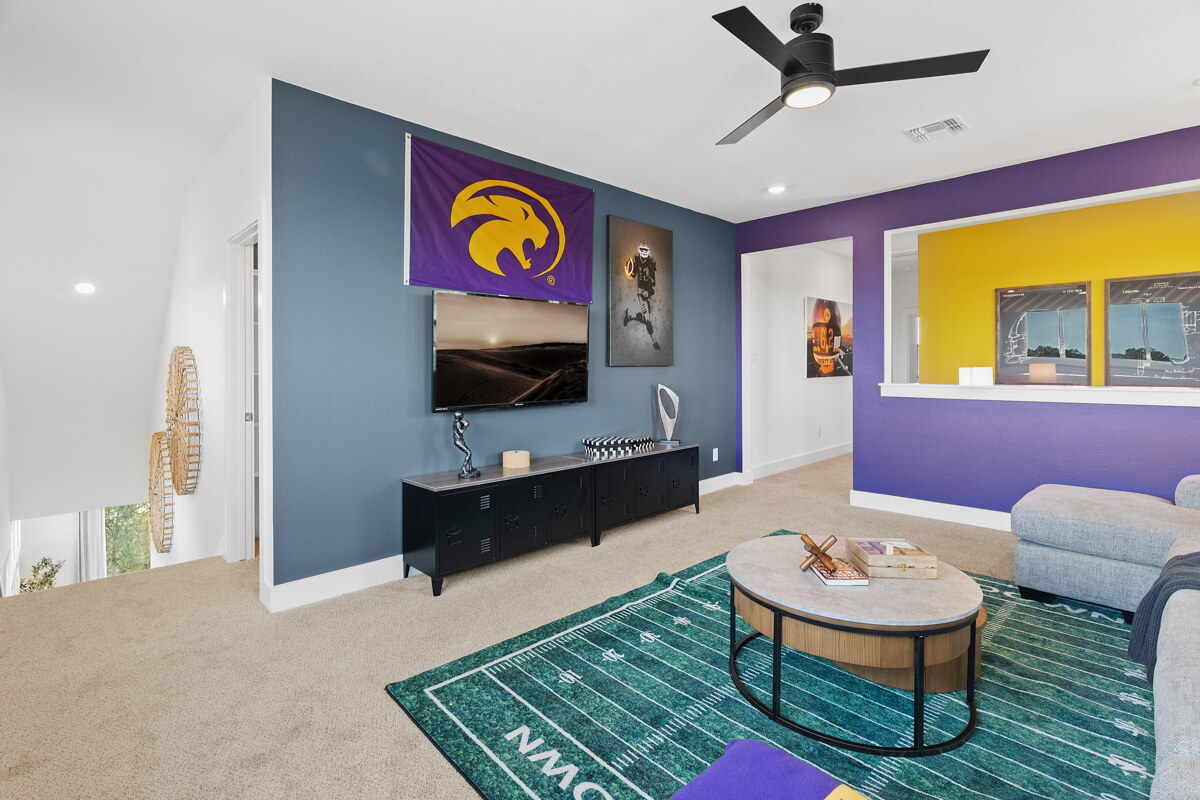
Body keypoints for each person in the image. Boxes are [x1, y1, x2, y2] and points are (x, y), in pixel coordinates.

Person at [622, 241, 661, 350]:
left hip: (648, 292)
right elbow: (633, 274)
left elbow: (653, 279)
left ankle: (630, 315)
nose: (644, 252)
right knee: (648, 319)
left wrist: (649, 291)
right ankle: (654, 341)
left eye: (646, 250)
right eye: (642, 250)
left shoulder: (651, 261)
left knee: (646, 316)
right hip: (641, 291)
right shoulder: (636, 260)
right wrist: (629, 269)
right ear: (639, 250)